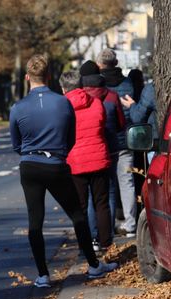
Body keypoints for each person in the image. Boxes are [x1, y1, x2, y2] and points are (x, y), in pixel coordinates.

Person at [9, 54, 117, 288]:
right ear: (48, 76)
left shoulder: (18, 107)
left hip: (30, 165)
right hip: (56, 164)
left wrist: (29, 152)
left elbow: (16, 143)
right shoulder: (62, 102)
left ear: (27, 77)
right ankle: (93, 264)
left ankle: (43, 275)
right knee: (77, 214)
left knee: (35, 220)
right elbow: (71, 137)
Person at [60, 71, 112, 252]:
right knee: (102, 203)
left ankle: (85, 246)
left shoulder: (63, 107)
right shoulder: (97, 103)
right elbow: (102, 124)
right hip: (99, 158)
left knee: (80, 207)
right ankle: (105, 243)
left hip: (76, 162)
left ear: (64, 88)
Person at [80, 60, 126, 247]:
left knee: (91, 196)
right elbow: (121, 124)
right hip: (110, 148)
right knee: (109, 192)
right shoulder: (111, 96)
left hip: (84, 149)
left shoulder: (80, 97)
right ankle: (108, 233)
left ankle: (92, 236)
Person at [97, 48, 137, 237]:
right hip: (126, 138)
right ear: (116, 62)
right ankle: (130, 225)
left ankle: (110, 224)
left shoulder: (100, 86)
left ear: (100, 64)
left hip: (106, 139)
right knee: (127, 182)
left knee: (109, 186)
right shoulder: (127, 83)